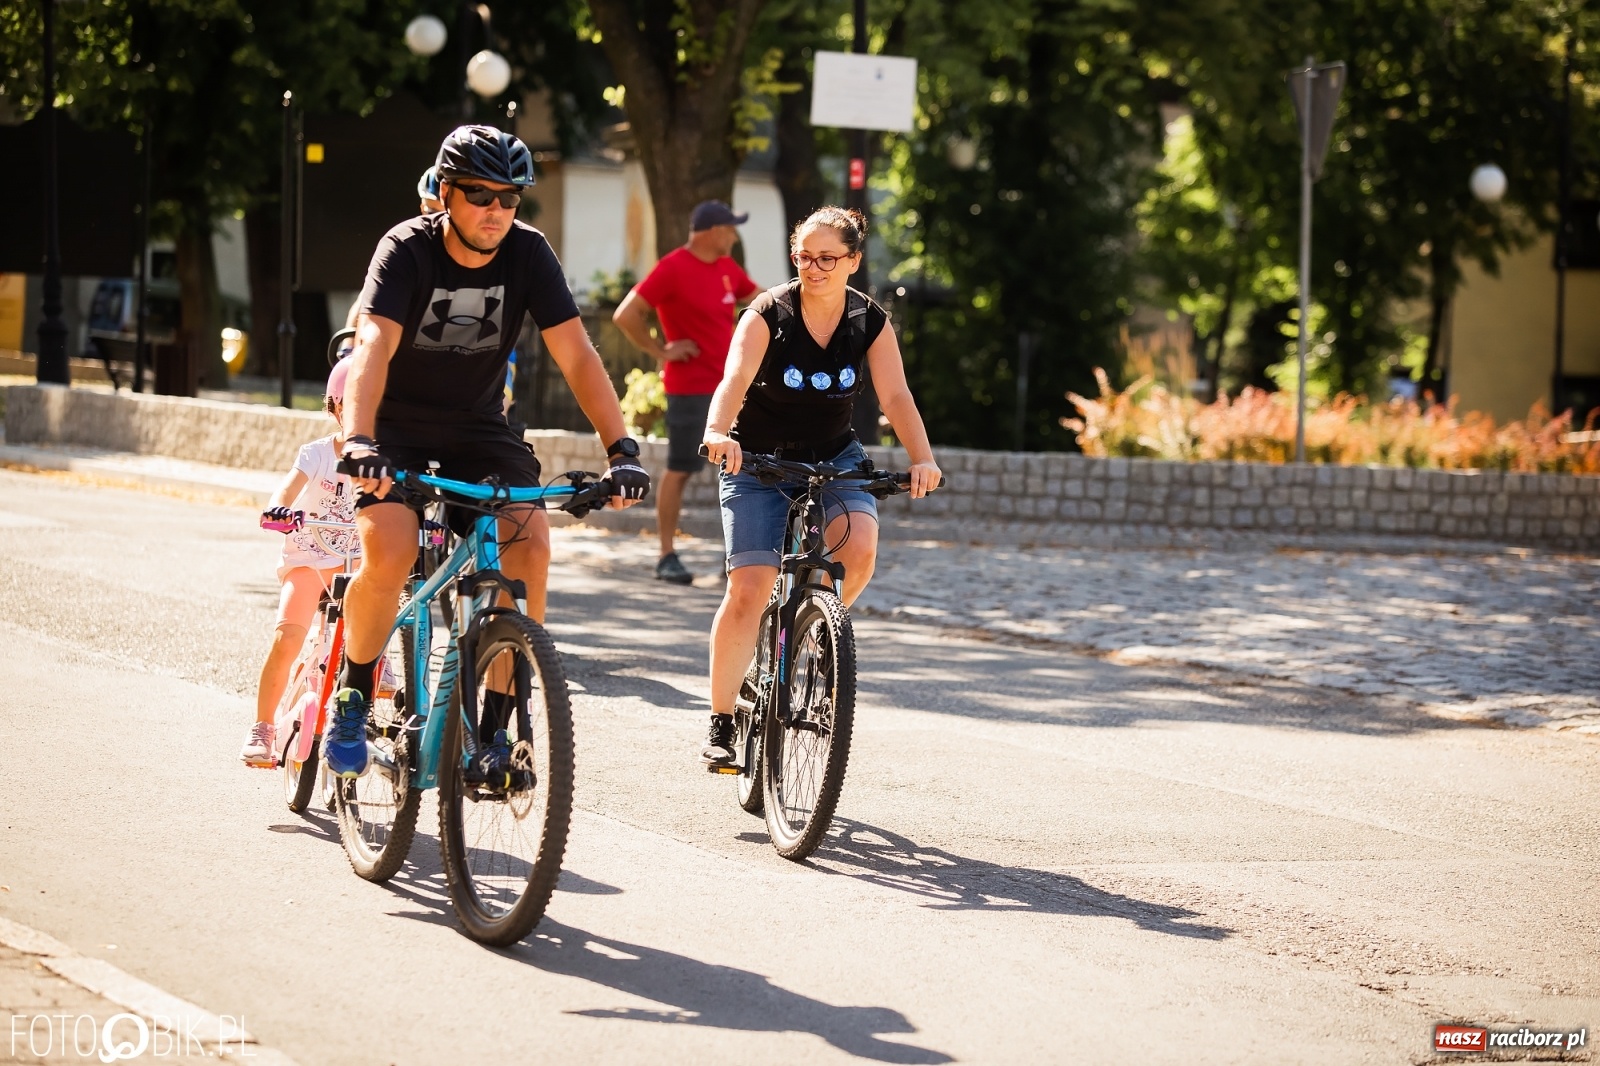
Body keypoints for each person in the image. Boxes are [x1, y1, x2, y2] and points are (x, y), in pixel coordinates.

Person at [326, 124, 650, 779]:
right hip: (391, 425)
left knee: (529, 541)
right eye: (480, 195)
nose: (496, 211)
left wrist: (622, 450)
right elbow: (372, 349)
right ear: (446, 193)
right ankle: (355, 695)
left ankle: (497, 737)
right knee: (389, 551)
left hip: (477, 427)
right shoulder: (406, 249)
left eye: (510, 198)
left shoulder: (528, 255)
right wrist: (359, 440)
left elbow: (578, 356)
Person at [698, 206, 941, 767]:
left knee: (858, 549)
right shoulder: (767, 314)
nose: (814, 268)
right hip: (757, 462)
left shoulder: (869, 322)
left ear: (854, 261)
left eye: (828, 258)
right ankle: (722, 719)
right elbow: (733, 379)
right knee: (751, 587)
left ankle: (816, 629)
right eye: (804, 257)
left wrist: (921, 459)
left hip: (835, 457)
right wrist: (717, 432)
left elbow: (896, 397)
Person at [613, 200, 759, 585]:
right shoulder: (673, 267)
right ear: (714, 231)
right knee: (680, 470)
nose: (734, 235)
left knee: (748, 469)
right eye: (731, 228)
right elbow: (626, 314)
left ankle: (746, 560)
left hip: (732, 388)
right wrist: (662, 350)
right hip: (690, 389)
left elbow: (761, 299)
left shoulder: (728, 269)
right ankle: (666, 555)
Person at [241, 359, 360, 766]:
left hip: (355, 564)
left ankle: (381, 673)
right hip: (309, 557)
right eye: (351, 405)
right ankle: (263, 727)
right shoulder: (317, 454)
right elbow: (288, 488)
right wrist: (279, 508)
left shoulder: (385, 460)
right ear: (335, 407)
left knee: (379, 621)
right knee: (288, 637)